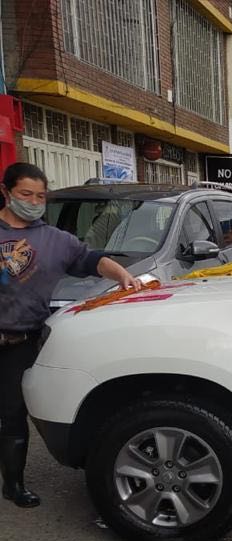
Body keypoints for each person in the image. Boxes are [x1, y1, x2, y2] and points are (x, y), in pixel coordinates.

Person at [0, 162, 141, 507]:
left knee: (13, 414)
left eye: (40, 196)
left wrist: (122, 275)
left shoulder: (54, 240)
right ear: (6, 192)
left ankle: (13, 485)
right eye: (25, 194)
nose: (34, 202)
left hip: (18, 342)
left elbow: (92, 259)